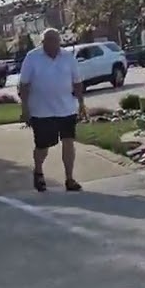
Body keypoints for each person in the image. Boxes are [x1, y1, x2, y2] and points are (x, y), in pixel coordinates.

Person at [18, 28, 87, 192]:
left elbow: (77, 82)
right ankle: (38, 171)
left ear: (59, 41)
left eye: (55, 40)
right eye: (48, 41)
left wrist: (81, 104)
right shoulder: (32, 57)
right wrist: (25, 108)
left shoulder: (68, 57)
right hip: (41, 111)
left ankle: (69, 179)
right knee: (43, 147)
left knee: (68, 142)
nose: (52, 44)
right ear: (42, 42)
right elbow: (24, 85)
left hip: (67, 108)